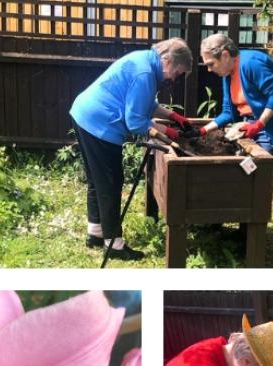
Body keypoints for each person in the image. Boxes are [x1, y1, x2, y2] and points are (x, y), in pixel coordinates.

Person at [70, 38, 196, 261]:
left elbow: (146, 104)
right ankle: (114, 245)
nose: (175, 79)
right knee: (110, 183)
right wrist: (171, 133)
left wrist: (173, 116)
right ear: (167, 61)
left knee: (97, 180)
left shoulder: (145, 62)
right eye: (176, 73)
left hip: (85, 114)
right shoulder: (144, 74)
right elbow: (136, 122)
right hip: (100, 122)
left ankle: (96, 233)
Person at [194, 34, 273, 166]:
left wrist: (259, 124)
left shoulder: (251, 63)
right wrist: (202, 131)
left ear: (225, 56)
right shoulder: (228, 73)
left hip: (270, 127)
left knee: (259, 171)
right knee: (245, 171)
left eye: (211, 64)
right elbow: (227, 112)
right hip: (248, 125)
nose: (209, 69)